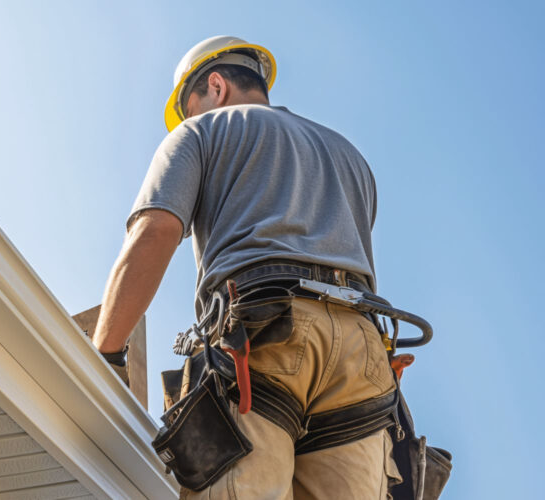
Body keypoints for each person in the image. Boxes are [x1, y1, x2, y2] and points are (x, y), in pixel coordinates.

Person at [91, 36, 401, 498]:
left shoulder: (200, 132)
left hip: (263, 331)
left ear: (215, 86)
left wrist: (105, 356)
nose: (191, 117)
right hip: (362, 351)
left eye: (190, 107)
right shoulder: (348, 156)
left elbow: (154, 233)